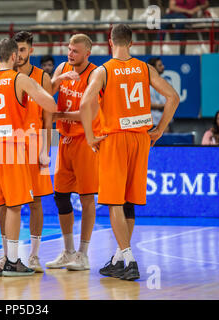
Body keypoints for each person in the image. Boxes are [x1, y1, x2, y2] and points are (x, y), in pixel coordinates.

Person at [75, 24, 179, 280]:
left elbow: (85, 102)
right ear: (131, 43)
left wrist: (89, 136)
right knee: (129, 201)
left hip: (115, 139)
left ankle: (129, 258)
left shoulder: (103, 70)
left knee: (113, 201)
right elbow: (173, 97)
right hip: (141, 139)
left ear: (110, 42)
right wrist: (160, 129)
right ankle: (119, 259)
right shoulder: (145, 68)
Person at [0, 38, 57, 277]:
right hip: (12, 147)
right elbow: (50, 104)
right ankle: (13, 262)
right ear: (14, 57)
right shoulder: (20, 78)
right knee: (15, 206)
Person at [0, 31, 53, 273]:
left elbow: (48, 121)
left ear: (31, 50)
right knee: (5, 203)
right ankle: (8, 254)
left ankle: (35, 255)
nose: (18, 54)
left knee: (36, 202)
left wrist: (45, 149)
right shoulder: (4, 77)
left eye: (22, 49)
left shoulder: (42, 77)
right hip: (9, 147)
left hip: (34, 145)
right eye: (16, 49)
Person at [46, 34, 101, 272]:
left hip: (85, 141)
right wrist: (58, 78)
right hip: (65, 141)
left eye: (75, 51)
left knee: (87, 198)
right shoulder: (62, 67)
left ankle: (83, 253)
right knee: (60, 196)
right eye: (69, 49)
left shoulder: (95, 74)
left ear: (87, 53)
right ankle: (68, 251)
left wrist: (57, 116)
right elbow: (45, 93)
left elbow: (88, 114)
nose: (70, 54)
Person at [147, 57, 173, 132]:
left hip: (166, 121)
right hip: (151, 121)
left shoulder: (167, 82)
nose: (163, 67)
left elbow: (172, 99)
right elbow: (143, 104)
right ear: (153, 68)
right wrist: (159, 106)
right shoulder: (145, 83)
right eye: (160, 65)